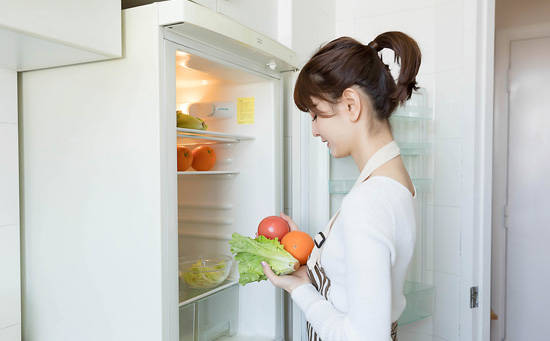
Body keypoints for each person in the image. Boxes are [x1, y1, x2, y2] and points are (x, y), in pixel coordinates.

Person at [261, 31, 420, 340]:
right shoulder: (394, 182)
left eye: (317, 114)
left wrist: (300, 288)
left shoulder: (369, 201)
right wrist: (314, 253)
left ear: (350, 105)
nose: (315, 130)